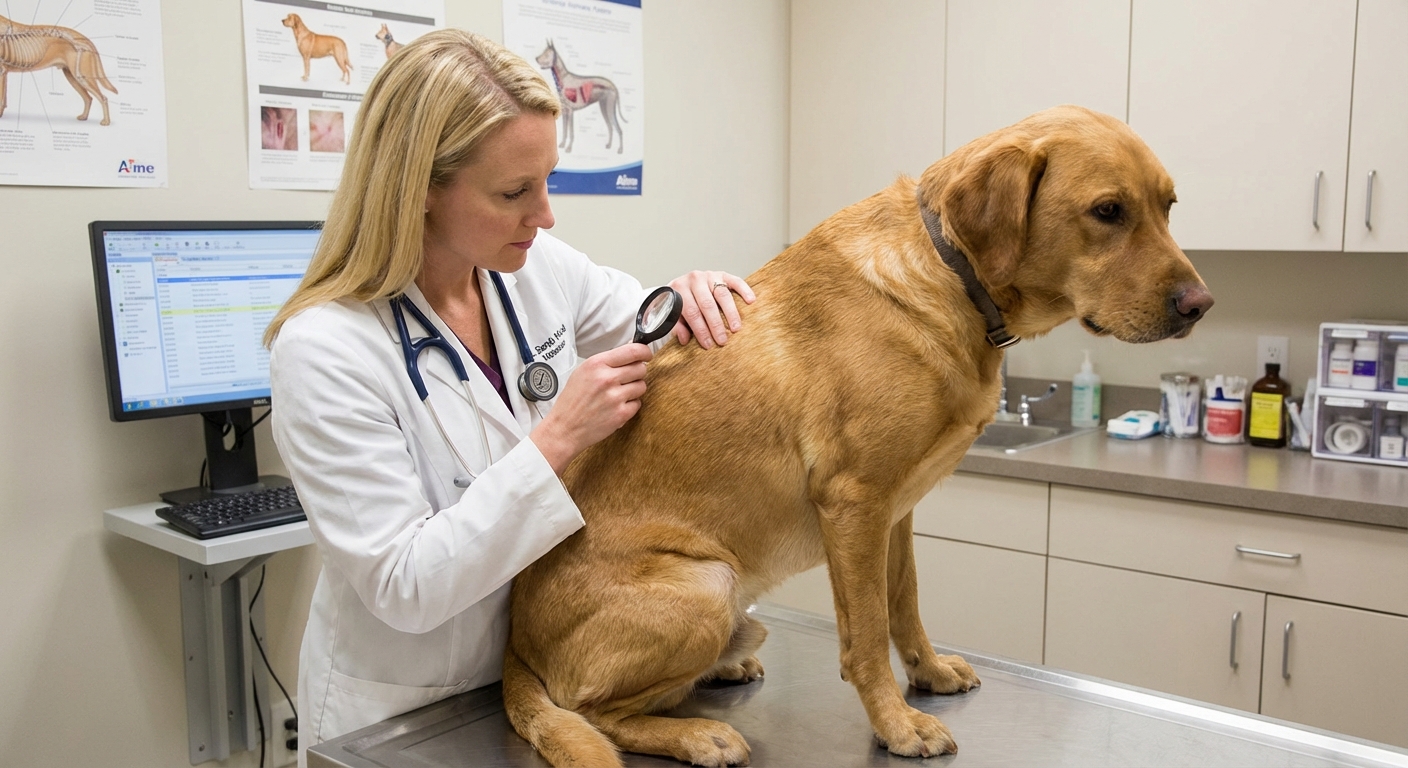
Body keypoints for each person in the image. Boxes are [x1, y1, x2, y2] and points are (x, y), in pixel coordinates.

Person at [263, 29, 754, 763]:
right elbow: (404, 586)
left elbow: (652, 324)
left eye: (548, 180)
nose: (546, 214)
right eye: (514, 192)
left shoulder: (532, 266)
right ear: (422, 189)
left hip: (549, 675)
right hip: (409, 711)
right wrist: (558, 440)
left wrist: (691, 295)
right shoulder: (325, 349)